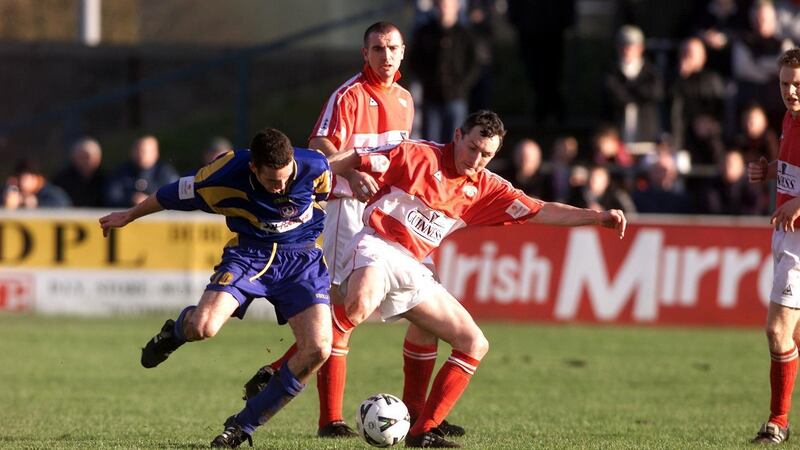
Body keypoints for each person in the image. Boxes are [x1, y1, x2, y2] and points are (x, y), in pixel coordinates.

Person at [325, 110, 626, 447]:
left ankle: (423, 429)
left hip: (415, 265)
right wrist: (310, 172)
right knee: (359, 304)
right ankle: (301, 369)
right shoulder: (417, 153)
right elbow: (355, 157)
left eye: (487, 154)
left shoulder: (485, 187)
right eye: (472, 148)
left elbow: (541, 210)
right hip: (378, 246)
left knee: (474, 343)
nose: (477, 159)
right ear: (457, 136)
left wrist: (597, 217)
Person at [241, 22, 466, 439]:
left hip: (389, 211)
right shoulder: (349, 95)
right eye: (377, 48)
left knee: (421, 309)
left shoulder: (404, 99)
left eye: (392, 48)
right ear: (365, 54)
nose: (385, 55)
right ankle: (328, 418)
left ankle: (419, 415)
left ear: (403, 53)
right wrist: (356, 170)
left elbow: (399, 156)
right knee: (346, 307)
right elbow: (321, 146)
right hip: (348, 209)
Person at [98, 129, 333, 448]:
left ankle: (243, 425)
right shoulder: (222, 176)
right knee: (202, 327)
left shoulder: (315, 167)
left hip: (302, 259)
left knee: (318, 348)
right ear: (254, 169)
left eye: (285, 178)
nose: (281, 188)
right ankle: (175, 333)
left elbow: (337, 174)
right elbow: (171, 193)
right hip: (250, 255)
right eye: (271, 181)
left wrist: (359, 180)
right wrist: (129, 215)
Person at [748, 48, 800, 444]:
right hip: (786, 237)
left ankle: (777, 422)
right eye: (785, 84)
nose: (791, 91)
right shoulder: (788, 118)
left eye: (798, 84)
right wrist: (770, 173)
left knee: (777, 329)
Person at [410, 0, 480, 142]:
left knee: (455, 142)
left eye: (448, 5)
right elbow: (414, 61)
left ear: (457, 7)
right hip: (431, 96)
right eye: (441, 5)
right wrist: (428, 81)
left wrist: (461, 85)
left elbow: (473, 64)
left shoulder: (466, 34)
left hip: (456, 97)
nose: (444, 9)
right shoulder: (425, 32)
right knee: (430, 142)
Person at [104, 135, 178, 207]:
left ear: (155, 153)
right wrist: (130, 200)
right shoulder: (120, 172)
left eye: (144, 151)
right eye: (137, 150)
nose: (140, 154)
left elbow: (175, 197)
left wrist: (151, 201)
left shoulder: (165, 172)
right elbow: (109, 198)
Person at [52, 137, 107, 207]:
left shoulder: (106, 180)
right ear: (74, 157)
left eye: (88, 157)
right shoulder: (61, 179)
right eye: (81, 156)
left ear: (98, 158)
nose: (85, 161)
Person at [3, 158, 71, 209]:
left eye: (24, 178)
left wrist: (37, 204)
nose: (20, 182)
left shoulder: (52, 194)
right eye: (18, 178)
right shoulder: (11, 190)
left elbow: (63, 205)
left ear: (36, 178)